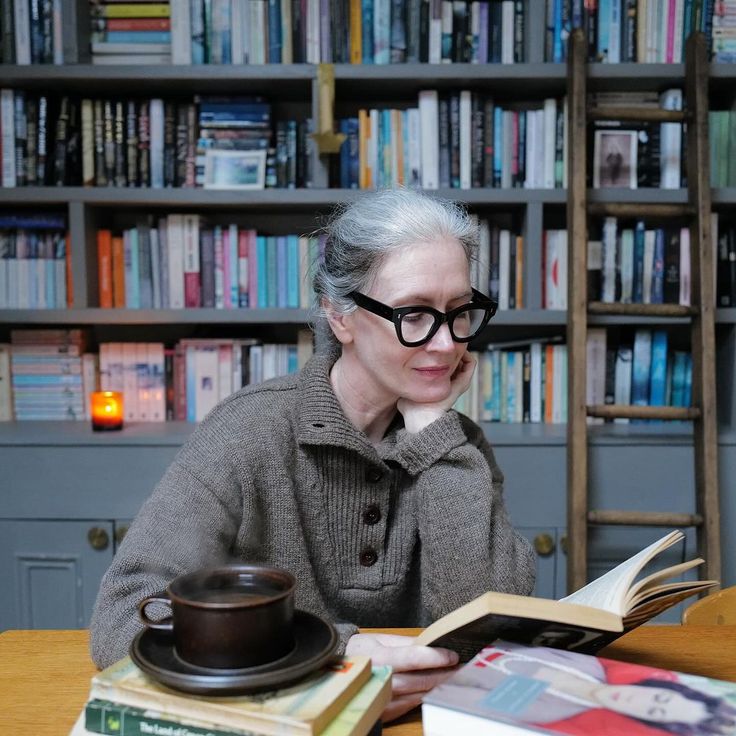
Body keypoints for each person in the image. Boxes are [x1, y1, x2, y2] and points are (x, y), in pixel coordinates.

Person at [89, 187, 536, 720]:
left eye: (459, 311)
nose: (445, 343)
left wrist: (432, 430)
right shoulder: (248, 432)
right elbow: (125, 616)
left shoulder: (454, 445)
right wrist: (332, 662)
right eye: (414, 314)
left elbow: (489, 631)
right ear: (340, 316)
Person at [444, 642, 736, 735]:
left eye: (654, 710)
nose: (641, 700)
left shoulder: (546, 714)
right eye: (660, 698)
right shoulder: (589, 665)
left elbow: (451, 695)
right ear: (659, 686)